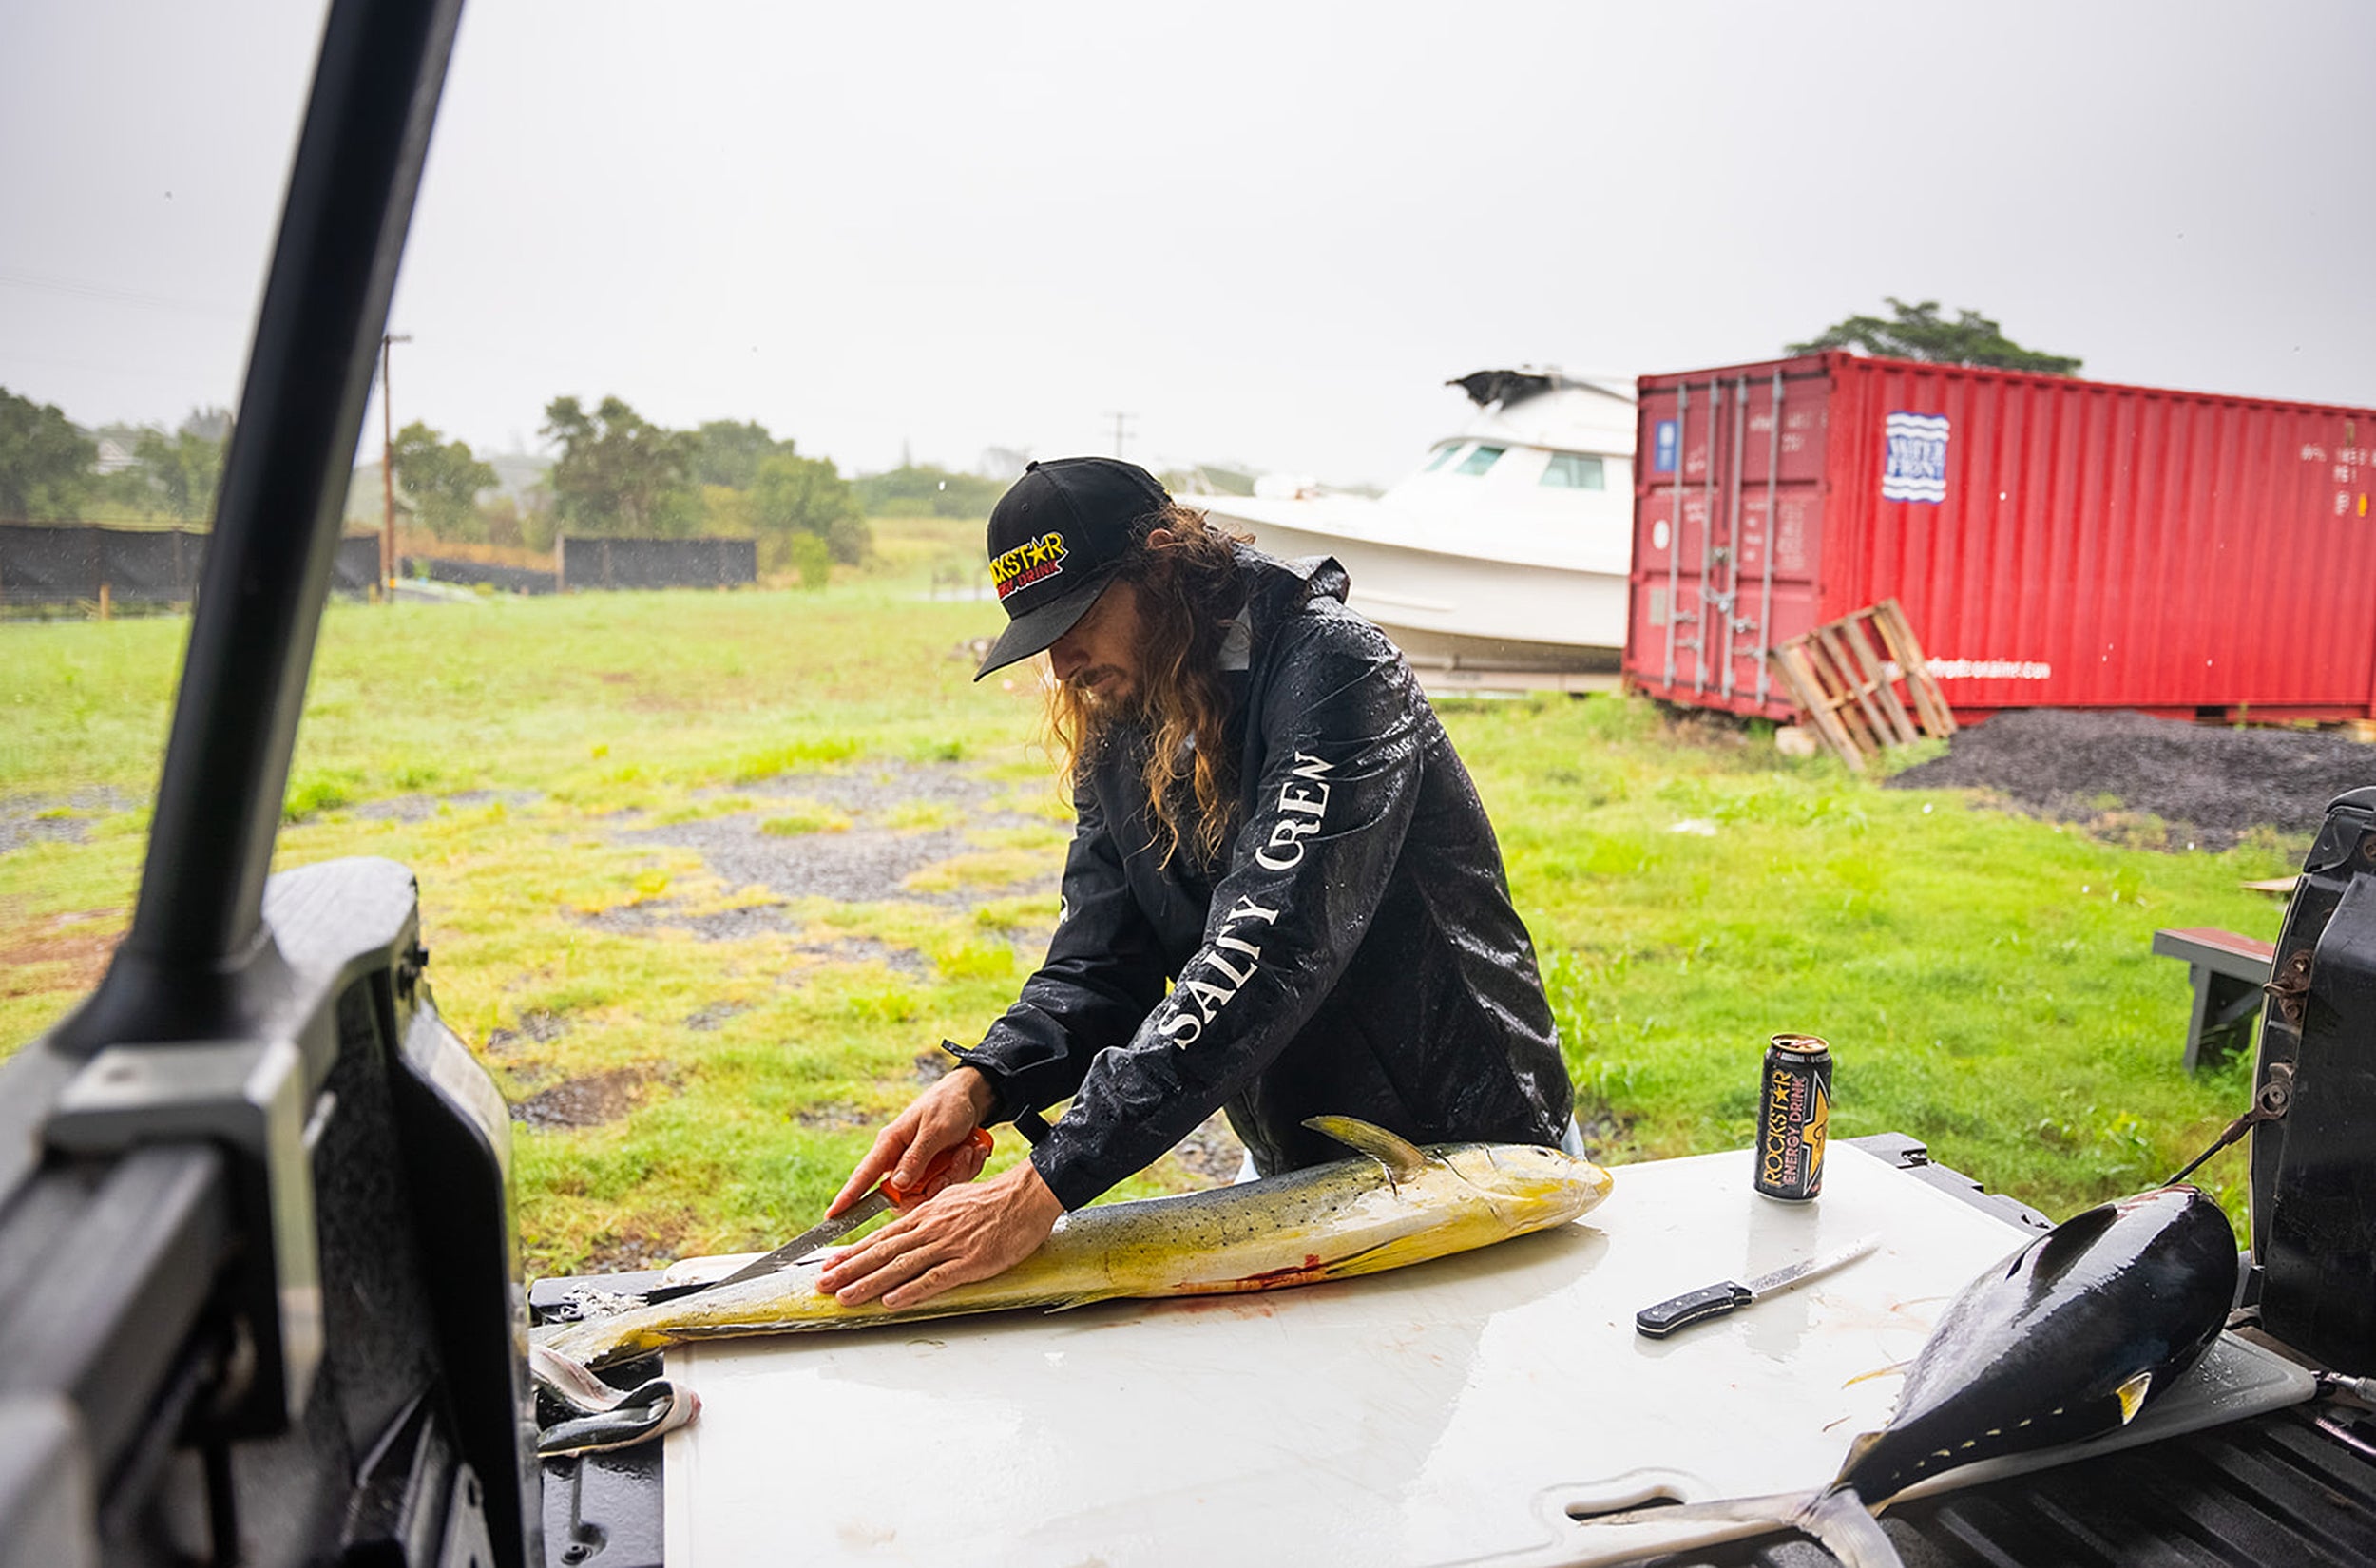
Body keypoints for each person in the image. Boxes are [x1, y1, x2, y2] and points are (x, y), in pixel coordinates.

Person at [816, 456, 1575, 1310]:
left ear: (1162, 565)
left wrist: (1044, 1186)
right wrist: (987, 1081)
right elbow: (1102, 962)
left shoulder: (1335, 671)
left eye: (1078, 619)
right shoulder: (1120, 713)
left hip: (1466, 1148)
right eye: (1038, 636)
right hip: (1304, 1155)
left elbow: (1269, 945)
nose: (1062, 663)